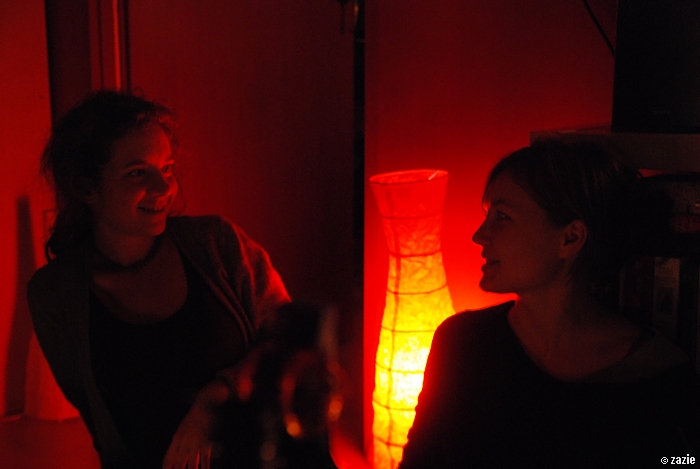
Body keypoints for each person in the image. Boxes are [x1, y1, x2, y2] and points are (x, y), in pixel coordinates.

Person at [27, 90, 332, 469]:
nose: (163, 188)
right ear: (87, 187)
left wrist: (216, 395)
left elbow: (291, 345)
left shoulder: (218, 244)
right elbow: (99, 416)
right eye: (137, 173)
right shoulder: (55, 294)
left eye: (167, 168)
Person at [399, 140, 700, 468]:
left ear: (570, 238)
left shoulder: (657, 377)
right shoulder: (462, 341)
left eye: (503, 216)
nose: (479, 235)